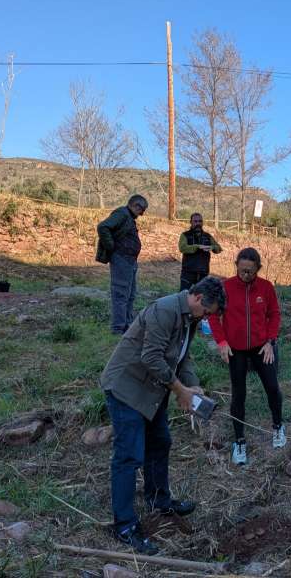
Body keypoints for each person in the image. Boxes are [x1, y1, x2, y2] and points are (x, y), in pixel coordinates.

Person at [99, 276, 226, 555]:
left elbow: (183, 358)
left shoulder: (189, 318)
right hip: (127, 388)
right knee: (129, 455)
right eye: (207, 312)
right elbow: (152, 358)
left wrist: (193, 385)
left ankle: (159, 500)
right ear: (197, 298)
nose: (206, 318)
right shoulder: (165, 310)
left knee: (160, 443)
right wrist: (180, 391)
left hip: (151, 390)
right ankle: (125, 525)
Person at [208, 248, 285, 466]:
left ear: (258, 269)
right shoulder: (226, 287)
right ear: (236, 266)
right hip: (236, 349)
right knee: (238, 393)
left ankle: (278, 426)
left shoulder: (266, 287)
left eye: (250, 271)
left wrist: (271, 340)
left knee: (272, 387)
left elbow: (274, 314)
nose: (246, 275)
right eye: (242, 271)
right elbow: (214, 316)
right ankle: (239, 440)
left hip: (262, 347)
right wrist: (221, 342)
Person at [96, 195, 148, 335]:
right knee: (121, 295)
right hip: (122, 260)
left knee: (130, 295)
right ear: (135, 205)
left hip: (130, 261)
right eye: (142, 210)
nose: (142, 213)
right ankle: (118, 328)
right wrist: (111, 246)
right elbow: (103, 227)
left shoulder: (128, 217)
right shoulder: (122, 214)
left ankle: (127, 326)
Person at [178, 212, 222, 291]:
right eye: (195, 221)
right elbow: (182, 248)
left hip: (203, 273)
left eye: (200, 221)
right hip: (188, 273)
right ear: (191, 222)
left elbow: (219, 248)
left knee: (202, 298)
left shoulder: (207, 236)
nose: (198, 223)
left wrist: (212, 247)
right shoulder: (185, 235)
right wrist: (197, 247)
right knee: (183, 296)